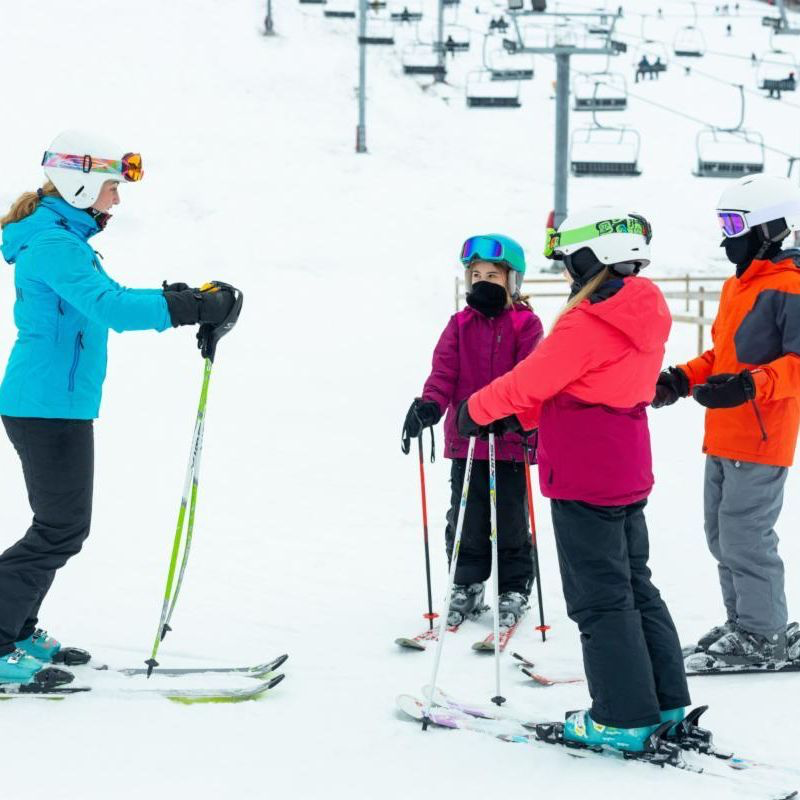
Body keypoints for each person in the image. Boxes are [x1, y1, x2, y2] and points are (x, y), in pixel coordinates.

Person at [0, 130, 239, 690]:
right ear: (79, 185)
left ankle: (18, 626)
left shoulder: (62, 238)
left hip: (55, 402)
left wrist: (175, 297)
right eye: (112, 187)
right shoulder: (55, 244)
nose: (117, 200)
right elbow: (109, 308)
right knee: (60, 528)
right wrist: (187, 307)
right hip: (44, 405)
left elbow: (106, 297)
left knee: (59, 526)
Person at [458, 209, 691, 754]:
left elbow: (533, 379)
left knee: (600, 599)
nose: (566, 273)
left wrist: (478, 408)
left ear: (593, 257)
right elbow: (592, 386)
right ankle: (664, 701)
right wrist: (528, 417)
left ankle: (622, 717)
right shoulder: (644, 310)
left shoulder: (588, 321)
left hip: (585, 475)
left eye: (569, 261)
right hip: (624, 465)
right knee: (635, 586)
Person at [653, 174, 800, 668]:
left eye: (734, 224)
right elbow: (724, 356)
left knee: (746, 537)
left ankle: (763, 636)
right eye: (723, 223)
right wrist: (681, 378)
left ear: (769, 228)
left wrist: (748, 386)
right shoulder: (739, 285)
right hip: (724, 434)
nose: (725, 237)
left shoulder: (791, 288)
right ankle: (745, 623)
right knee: (721, 534)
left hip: (761, 435)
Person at [402, 235, 543, 628]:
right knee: (466, 518)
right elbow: (444, 373)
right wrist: (430, 404)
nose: (482, 281)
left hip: (510, 442)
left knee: (511, 519)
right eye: (475, 274)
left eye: (492, 276)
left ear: (511, 281)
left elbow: (530, 377)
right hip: (467, 443)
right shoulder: (459, 325)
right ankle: (467, 583)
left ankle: (514, 587)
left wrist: (514, 416)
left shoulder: (526, 325)